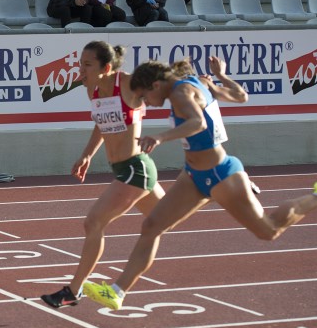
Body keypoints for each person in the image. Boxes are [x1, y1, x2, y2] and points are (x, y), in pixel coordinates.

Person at [83, 57, 317, 310]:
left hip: (219, 174)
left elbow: (198, 123)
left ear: (155, 84)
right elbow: (241, 96)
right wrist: (223, 77)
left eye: (144, 96)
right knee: (151, 226)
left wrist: (160, 137)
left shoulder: (182, 92)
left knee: (268, 230)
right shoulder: (198, 82)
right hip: (193, 175)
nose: (146, 103)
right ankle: (117, 292)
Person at [40, 41, 165, 308]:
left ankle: (73, 290)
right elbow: (101, 124)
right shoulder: (93, 90)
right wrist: (87, 154)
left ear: (106, 68)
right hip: (126, 169)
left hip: (136, 169)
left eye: (87, 65)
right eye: (79, 64)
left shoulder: (129, 84)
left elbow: (165, 81)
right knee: (160, 223)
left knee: (93, 222)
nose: (80, 71)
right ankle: (224, 185)